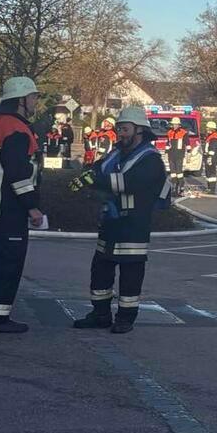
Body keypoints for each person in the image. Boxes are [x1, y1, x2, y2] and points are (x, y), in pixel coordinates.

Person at [75, 105, 169, 334]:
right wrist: (87, 176)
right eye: (119, 129)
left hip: (133, 224)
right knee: (100, 269)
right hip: (110, 222)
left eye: (125, 129)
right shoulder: (115, 153)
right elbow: (98, 170)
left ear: (139, 131)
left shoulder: (151, 160)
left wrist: (96, 181)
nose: (120, 134)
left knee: (130, 274)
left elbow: (128, 183)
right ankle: (100, 315)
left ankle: (125, 318)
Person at [0, 76, 46, 334]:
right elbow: (17, 172)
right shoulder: (16, 130)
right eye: (34, 97)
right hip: (9, 208)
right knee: (8, 263)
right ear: (21, 100)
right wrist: (32, 207)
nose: (36, 101)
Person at [164, 115, 187, 197]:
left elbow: (187, 144)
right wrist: (166, 153)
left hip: (179, 155)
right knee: (173, 173)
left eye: (175, 124)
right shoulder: (169, 133)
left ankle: (181, 189)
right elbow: (167, 143)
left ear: (179, 125)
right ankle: (174, 189)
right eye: (173, 124)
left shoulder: (183, 133)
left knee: (179, 173)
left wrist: (189, 153)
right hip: (171, 155)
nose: (174, 126)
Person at [201, 118, 217, 194]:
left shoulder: (214, 137)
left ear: (212, 129)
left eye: (207, 128)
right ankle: (209, 188)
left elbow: (213, 148)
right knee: (208, 173)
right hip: (209, 157)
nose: (206, 130)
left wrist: (207, 154)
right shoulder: (210, 136)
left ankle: (212, 189)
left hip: (211, 158)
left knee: (211, 173)